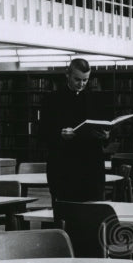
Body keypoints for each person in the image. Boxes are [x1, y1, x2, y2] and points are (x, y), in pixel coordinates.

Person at [39, 57, 110, 203]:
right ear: (67, 75)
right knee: (66, 215)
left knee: (92, 214)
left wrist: (106, 135)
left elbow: (106, 128)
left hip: (91, 169)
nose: (81, 84)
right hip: (64, 167)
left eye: (85, 80)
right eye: (77, 79)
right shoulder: (52, 100)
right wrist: (60, 134)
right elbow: (42, 133)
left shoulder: (95, 100)